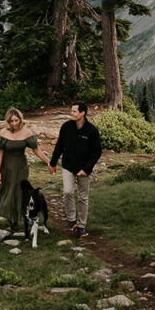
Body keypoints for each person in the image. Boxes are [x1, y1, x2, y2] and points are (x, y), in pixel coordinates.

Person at [0, 107, 54, 233]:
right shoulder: (3, 133)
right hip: (6, 166)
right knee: (7, 191)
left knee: (18, 191)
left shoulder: (27, 133)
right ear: (8, 121)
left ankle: (16, 220)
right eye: (11, 121)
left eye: (16, 120)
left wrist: (48, 162)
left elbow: (36, 150)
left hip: (20, 167)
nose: (14, 124)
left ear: (20, 119)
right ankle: (10, 216)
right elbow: (0, 153)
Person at [49, 101, 102, 238]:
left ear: (82, 113)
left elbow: (96, 152)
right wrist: (53, 162)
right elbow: (59, 145)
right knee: (67, 192)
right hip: (68, 166)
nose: (71, 113)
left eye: (74, 111)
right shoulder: (66, 127)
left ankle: (81, 226)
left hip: (85, 169)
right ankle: (71, 220)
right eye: (71, 111)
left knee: (83, 198)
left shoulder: (92, 130)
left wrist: (86, 169)